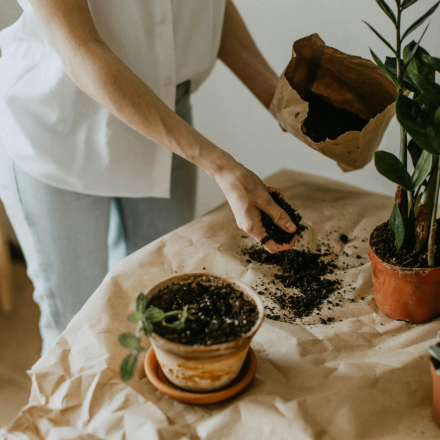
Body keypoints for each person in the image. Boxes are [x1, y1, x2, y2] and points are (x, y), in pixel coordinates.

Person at [0, 0, 297, 354]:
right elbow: (79, 46)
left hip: (167, 115)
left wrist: (283, 104)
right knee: (75, 326)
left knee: (165, 299)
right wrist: (220, 166)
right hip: (59, 126)